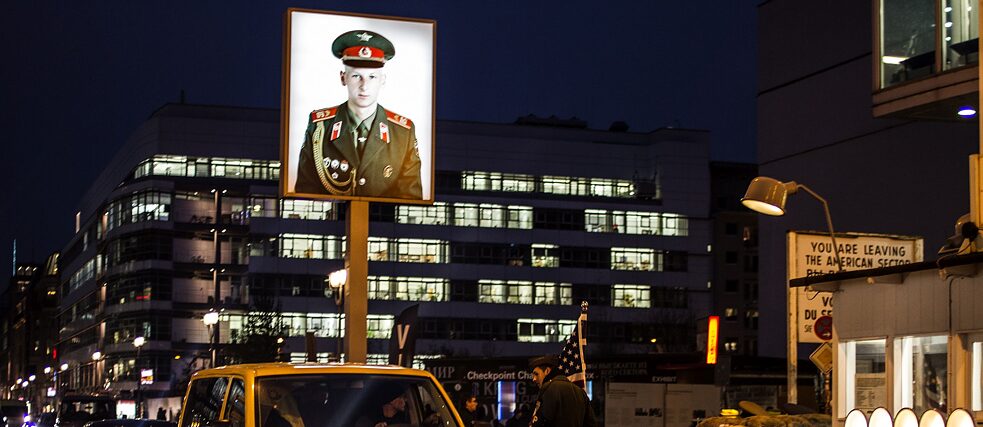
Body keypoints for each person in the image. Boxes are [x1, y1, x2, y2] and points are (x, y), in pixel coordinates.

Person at [295, 29, 423, 200]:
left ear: (382, 80)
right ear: (343, 78)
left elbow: (410, 199)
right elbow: (306, 193)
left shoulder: (403, 132)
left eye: (372, 77)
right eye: (356, 76)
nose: (364, 86)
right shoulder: (320, 126)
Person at [528, 355, 595, 427]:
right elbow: (591, 423)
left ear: (547, 371)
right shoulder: (581, 392)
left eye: (536, 374)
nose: (534, 379)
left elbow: (540, 422)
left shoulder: (547, 389)